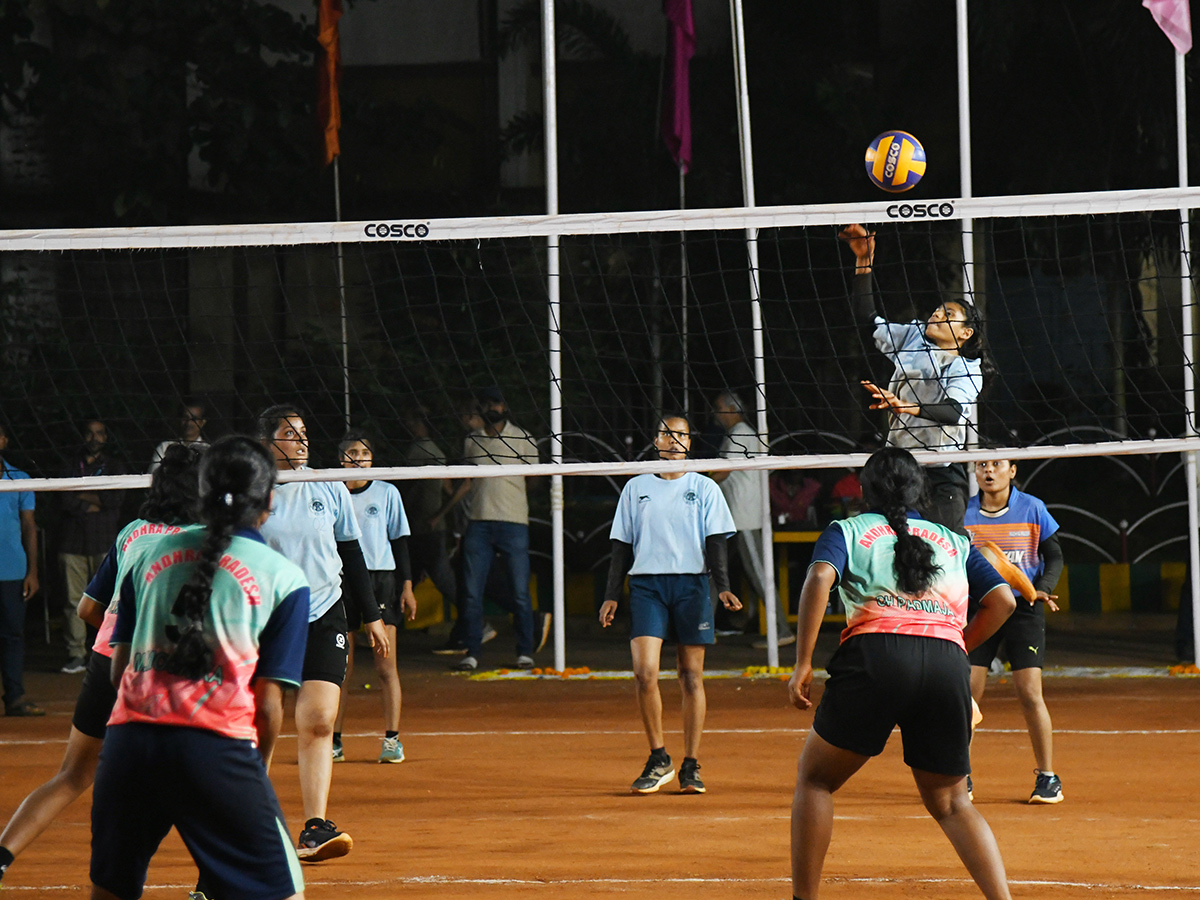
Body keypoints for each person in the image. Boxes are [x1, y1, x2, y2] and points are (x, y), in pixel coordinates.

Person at [788, 447, 1017, 900]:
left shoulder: (848, 530)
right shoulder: (954, 539)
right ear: (921, 490)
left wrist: (803, 662)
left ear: (863, 490)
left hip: (875, 656)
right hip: (947, 665)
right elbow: (1004, 601)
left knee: (816, 780)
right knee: (952, 802)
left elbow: (818, 578)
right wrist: (956, 646)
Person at [88, 435, 307, 900]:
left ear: (201, 493)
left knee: (111, 890)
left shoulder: (143, 557)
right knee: (284, 891)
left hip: (128, 748)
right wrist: (254, 771)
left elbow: (117, 672)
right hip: (215, 752)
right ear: (268, 500)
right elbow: (268, 706)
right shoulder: (283, 577)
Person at [0, 444, 201, 883]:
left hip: (108, 660)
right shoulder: (210, 537)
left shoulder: (132, 532)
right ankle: (214, 881)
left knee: (72, 775)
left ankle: (0, 857)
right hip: (164, 674)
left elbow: (87, 609)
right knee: (198, 780)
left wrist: (118, 636)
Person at [256, 405, 389, 862]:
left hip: (325, 613)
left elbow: (350, 553)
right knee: (264, 723)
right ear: (269, 442)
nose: (301, 439)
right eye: (290, 433)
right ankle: (249, 825)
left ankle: (316, 826)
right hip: (269, 620)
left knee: (318, 720)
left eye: (304, 431)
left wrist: (370, 614)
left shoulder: (326, 483)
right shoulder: (253, 490)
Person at [599, 414, 740, 795]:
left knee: (690, 675)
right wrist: (611, 594)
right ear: (656, 439)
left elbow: (716, 541)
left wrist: (723, 586)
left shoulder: (704, 487)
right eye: (666, 432)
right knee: (645, 672)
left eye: (681, 434)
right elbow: (621, 545)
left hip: (692, 585)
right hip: (646, 585)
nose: (673, 439)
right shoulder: (636, 487)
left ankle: (691, 765)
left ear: (690, 442)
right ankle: (659, 757)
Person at [841, 224, 989, 531]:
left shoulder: (966, 367)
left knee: (950, 553)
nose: (936, 315)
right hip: (897, 466)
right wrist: (864, 262)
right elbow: (866, 319)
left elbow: (953, 412)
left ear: (965, 333)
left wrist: (907, 406)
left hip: (939, 473)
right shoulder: (913, 337)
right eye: (937, 310)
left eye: (948, 315)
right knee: (892, 550)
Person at [964, 458, 1064, 804]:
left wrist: (1043, 587)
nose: (988, 471)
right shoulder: (964, 515)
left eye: (996, 464)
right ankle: (960, 775)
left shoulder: (1032, 508)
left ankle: (1048, 777)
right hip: (981, 609)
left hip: (1024, 609)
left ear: (1012, 470)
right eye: (981, 465)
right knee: (967, 694)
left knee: (1030, 693)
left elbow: (1054, 556)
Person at [432, 388, 549, 671]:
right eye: (487, 403)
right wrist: (443, 513)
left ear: (505, 406)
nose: (492, 407)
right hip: (480, 522)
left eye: (496, 403)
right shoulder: (472, 440)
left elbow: (534, 479)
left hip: (514, 522)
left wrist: (513, 497)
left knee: (520, 589)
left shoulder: (523, 439)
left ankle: (524, 650)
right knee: (471, 591)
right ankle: (472, 651)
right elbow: (468, 481)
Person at [332, 431, 416, 765]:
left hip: (381, 580)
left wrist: (407, 586)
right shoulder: (333, 491)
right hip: (341, 581)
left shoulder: (387, 492)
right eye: (353, 452)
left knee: (385, 666)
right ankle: (334, 740)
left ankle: (392, 739)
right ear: (342, 459)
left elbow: (400, 541)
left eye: (365, 453)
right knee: (342, 669)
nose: (360, 458)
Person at [710, 390, 794, 648]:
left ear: (729, 410)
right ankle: (701, 628)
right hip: (731, 518)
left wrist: (699, 488)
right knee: (713, 571)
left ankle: (782, 630)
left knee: (758, 574)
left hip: (743, 517)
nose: (715, 415)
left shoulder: (741, 434)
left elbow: (724, 472)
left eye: (718, 409)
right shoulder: (743, 434)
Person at [58, 419, 126, 674]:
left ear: (106, 437)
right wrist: (96, 499)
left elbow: (114, 500)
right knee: (73, 601)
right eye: (89, 433)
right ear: (83, 436)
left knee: (109, 601)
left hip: (104, 541)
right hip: (72, 541)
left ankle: (106, 651)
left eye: (99, 433)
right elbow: (64, 500)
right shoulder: (69, 466)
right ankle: (76, 654)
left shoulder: (116, 466)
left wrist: (82, 495)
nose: (94, 438)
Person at [396, 406, 461, 654]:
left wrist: (430, 515)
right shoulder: (435, 449)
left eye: (409, 420)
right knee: (406, 577)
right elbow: (447, 489)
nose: (407, 425)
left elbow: (414, 488)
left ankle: (474, 622)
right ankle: (386, 626)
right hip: (425, 527)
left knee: (436, 580)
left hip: (423, 528)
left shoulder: (420, 450)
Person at [0, 423, 42, 718]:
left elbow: (29, 526)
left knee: (12, 636)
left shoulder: (18, 479)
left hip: (12, 572)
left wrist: (33, 572)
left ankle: (14, 697)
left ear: (3, 440)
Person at [149, 401, 209, 473]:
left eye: (194, 419)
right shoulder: (164, 447)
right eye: (185, 417)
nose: (188, 422)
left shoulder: (208, 450)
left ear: (202, 422)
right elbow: (154, 475)